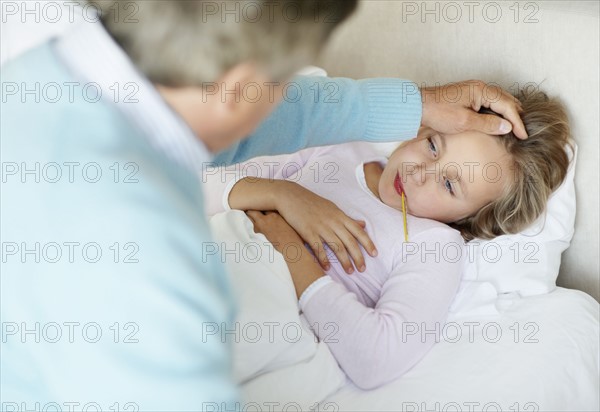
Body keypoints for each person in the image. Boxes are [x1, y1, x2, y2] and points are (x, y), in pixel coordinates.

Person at [1, 0, 527, 409]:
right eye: (284, 83)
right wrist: (276, 200)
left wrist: (418, 104)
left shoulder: (32, 78)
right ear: (238, 88)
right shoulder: (144, 252)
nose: (284, 102)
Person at [204, 89, 572, 389]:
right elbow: (199, 184)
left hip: (248, 297)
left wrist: (291, 247)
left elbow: (377, 357)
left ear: (469, 219)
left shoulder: (434, 245)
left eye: (448, 184)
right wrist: (282, 194)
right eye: (432, 146)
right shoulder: (340, 147)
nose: (416, 172)